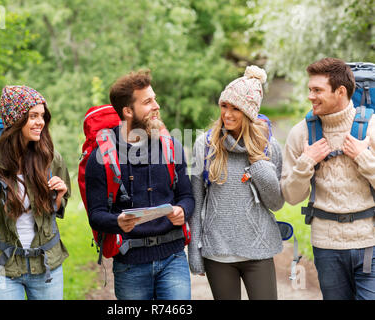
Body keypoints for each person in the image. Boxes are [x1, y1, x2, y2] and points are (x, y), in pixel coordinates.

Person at [85, 69, 195, 300]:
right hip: (130, 265)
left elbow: (187, 196)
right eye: (148, 102)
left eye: (154, 98)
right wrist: (117, 222)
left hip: (173, 258)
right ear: (127, 111)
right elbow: (96, 215)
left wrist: (182, 210)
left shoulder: (170, 146)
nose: (156, 105)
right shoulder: (102, 157)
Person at [0, 85, 71, 300]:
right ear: (15, 120)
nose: (40, 123)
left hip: (46, 265)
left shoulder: (51, 158)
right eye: (33, 116)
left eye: (42, 116)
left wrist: (60, 196)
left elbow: (54, 211)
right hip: (2, 266)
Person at [281, 57, 375, 300]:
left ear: (340, 91)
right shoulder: (300, 133)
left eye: (317, 90)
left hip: (369, 244)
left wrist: (363, 157)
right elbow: (291, 197)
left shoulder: (372, 128)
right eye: (310, 89)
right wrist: (306, 162)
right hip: (326, 247)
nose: (310, 96)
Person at [188, 65, 284, 300]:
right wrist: (194, 250)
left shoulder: (270, 148)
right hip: (218, 254)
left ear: (250, 112)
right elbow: (196, 203)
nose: (227, 114)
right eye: (224, 106)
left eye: (236, 108)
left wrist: (258, 161)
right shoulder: (205, 145)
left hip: (258, 250)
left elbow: (275, 202)